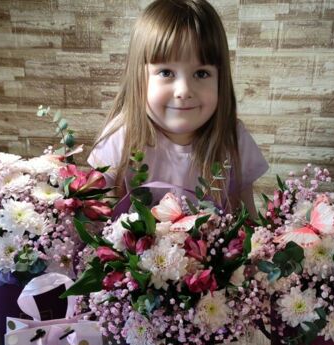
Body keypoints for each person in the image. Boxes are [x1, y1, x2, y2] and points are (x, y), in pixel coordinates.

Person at [87, 0, 268, 214]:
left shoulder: (233, 140)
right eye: (166, 73)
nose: (184, 91)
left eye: (201, 73)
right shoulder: (120, 138)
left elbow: (248, 220)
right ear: (138, 78)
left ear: (220, 80)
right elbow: (96, 220)